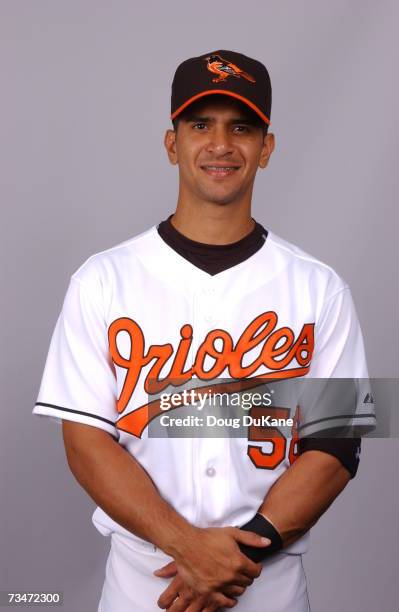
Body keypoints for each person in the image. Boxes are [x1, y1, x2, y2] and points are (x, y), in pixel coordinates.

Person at [33, 50, 376, 612]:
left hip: (269, 589)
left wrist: (236, 558)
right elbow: (85, 440)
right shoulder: (102, 280)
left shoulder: (320, 287)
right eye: (200, 125)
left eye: (241, 127)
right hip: (144, 587)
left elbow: (338, 444)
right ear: (173, 143)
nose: (221, 144)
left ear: (266, 148)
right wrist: (186, 546)